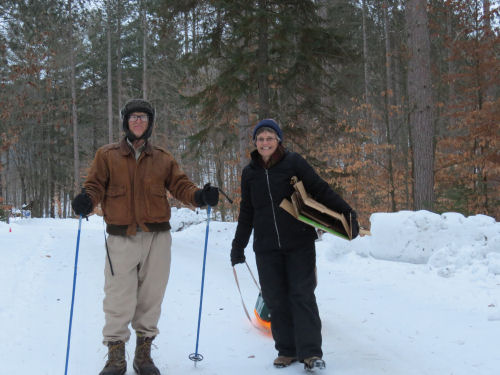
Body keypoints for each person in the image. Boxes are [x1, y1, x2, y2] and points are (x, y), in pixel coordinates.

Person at [71, 98, 219, 375]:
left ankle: (144, 355)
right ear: (125, 122)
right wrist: (86, 201)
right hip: (121, 236)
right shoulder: (107, 155)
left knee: (151, 297)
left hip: (157, 238)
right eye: (133, 117)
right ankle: (116, 357)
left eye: (143, 117)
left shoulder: (162, 158)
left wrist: (199, 196)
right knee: (118, 298)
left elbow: (181, 185)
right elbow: (94, 186)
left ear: (150, 123)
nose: (138, 121)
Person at [230, 119, 359, 372]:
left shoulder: (293, 163)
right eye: (260, 138)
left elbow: (320, 189)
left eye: (269, 137)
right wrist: (238, 246)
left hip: (299, 241)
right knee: (275, 298)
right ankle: (286, 350)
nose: (265, 142)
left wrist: (346, 213)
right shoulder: (250, 173)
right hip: (266, 247)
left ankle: (311, 353)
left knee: (302, 295)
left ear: (278, 140)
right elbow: (247, 211)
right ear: (255, 143)